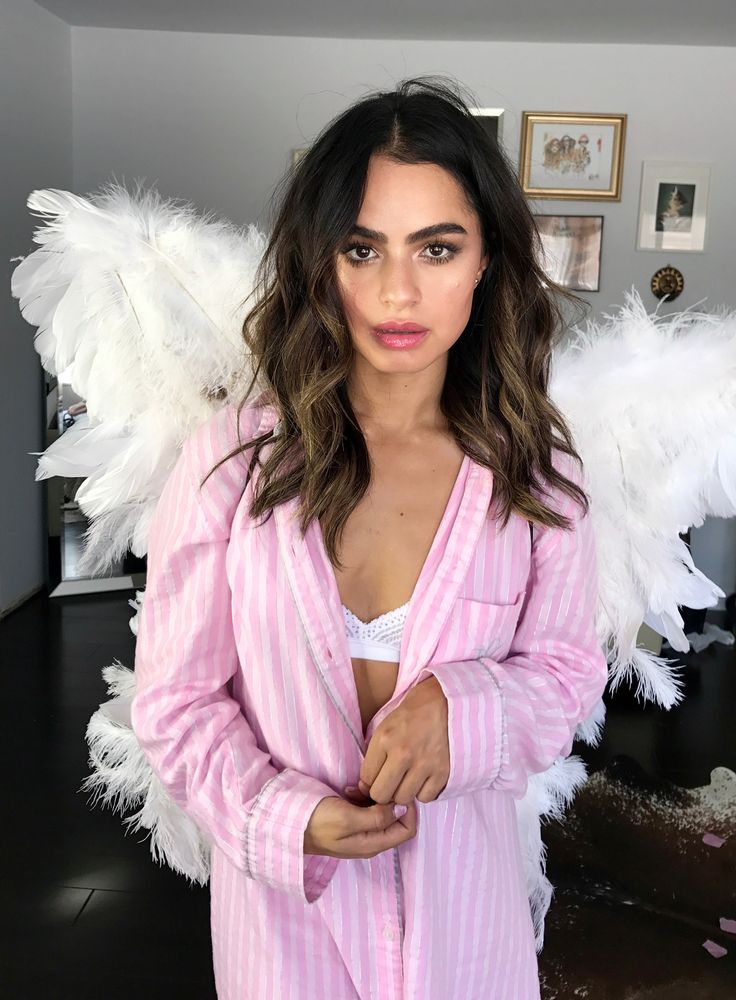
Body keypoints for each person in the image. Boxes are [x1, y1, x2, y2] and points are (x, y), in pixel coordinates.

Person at [130, 75, 609, 1000]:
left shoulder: (540, 477)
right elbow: (177, 701)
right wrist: (286, 815)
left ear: (487, 262)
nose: (398, 290)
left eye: (437, 247)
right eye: (363, 248)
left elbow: (565, 672)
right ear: (322, 265)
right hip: (284, 937)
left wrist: (462, 708)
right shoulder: (233, 463)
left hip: (465, 931)